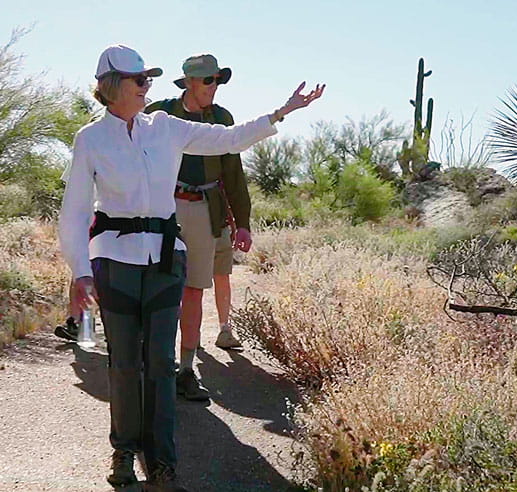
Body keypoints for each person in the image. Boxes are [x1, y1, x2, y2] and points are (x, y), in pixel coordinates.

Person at [58, 44, 324, 491]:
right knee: (124, 362)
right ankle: (123, 451)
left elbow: (228, 139)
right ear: (113, 86)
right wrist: (81, 271)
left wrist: (282, 111)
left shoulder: (165, 128)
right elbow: (73, 210)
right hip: (115, 261)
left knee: (160, 362)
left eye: (149, 80)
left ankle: (162, 463)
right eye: (140, 80)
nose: (148, 88)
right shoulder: (91, 139)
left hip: (165, 257)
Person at [145, 54, 249, 403]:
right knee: (157, 287)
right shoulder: (160, 113)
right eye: (208, 81)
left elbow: (233, 172)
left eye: (217, 80)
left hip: (205, 210)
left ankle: (186, 370)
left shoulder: (221, 118)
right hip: (162, 208)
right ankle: (154, 362)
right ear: (188, 82)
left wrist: (243, 222)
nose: (213, 87)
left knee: (193, 289)